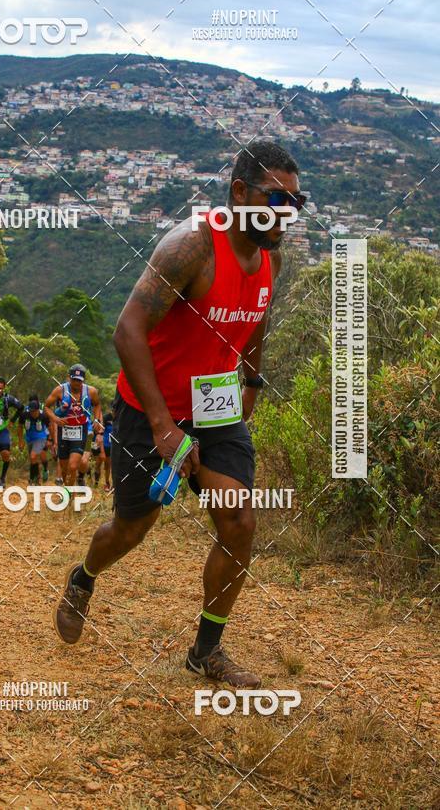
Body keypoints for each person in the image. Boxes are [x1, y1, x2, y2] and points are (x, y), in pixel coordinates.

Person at [53, 141, 303, 688]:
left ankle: (205, 651)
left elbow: (257, 317)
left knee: (239, 521)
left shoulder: (271, 256)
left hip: (215, 408)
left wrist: (252, 381)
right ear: (239, 192)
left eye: (295, 201)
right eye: (276, 198)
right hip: (151, 408)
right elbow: (127, 330)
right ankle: (83, 577)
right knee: (131, 528)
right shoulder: (191, 247)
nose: (286, 212)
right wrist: (163, 426)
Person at [44, 364, 101, 487]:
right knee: (64, 468)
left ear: (83, 380)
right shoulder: (60, 390)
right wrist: (56, 419)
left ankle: (72, 492)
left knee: (73, 466)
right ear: (69, 378)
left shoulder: (91, 391)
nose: (76, 383)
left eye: (79, 380)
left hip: (81, 430)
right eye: (74, 379)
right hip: (64, 431)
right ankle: (67, 489)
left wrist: (96, 420)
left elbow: (97, 404)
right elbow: (46, 407)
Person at [17, 396, 52, 484]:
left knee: (34, 456)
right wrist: (20, 440)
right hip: (29, 438)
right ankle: (36, 478)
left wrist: (50, 439)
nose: (32, 413)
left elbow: (50, 427)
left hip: (41, 438)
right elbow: (20, 427)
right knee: (33, 459)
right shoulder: (25, 415)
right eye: (31, 411)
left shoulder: (43, 415)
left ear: (37, 410)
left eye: (34, 411)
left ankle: (33, 478)